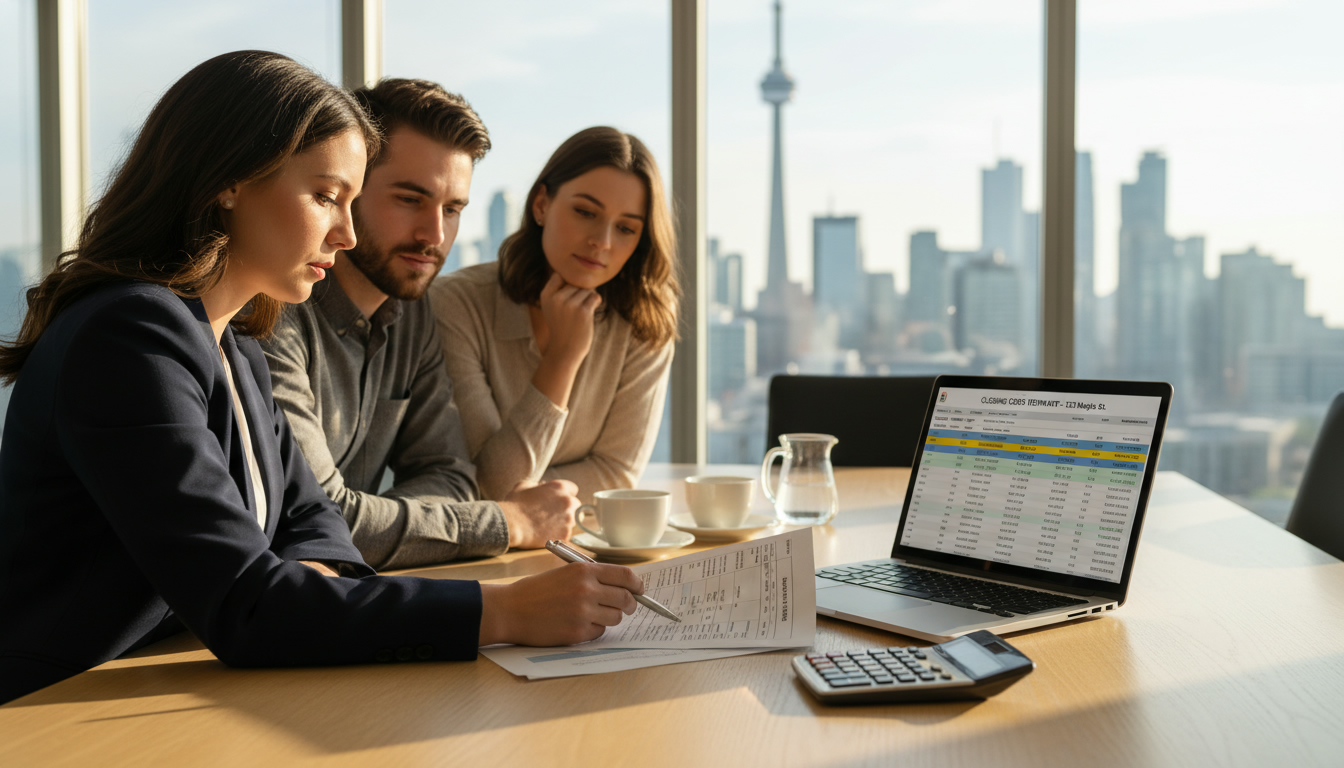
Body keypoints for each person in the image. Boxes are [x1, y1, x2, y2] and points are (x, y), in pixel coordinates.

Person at [0, 51, 642, 705]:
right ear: (230, 180)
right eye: (327, 197)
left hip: (165, 685)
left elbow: (314, 522)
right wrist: (503, 612)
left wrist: (304, 591)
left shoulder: (236, 344)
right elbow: (248, 605)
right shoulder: (131, 338)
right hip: (51, 708)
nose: (344, 232)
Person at [260, 78, 576, 570]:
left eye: (452, 209)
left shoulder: (414, 310)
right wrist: (509, 523)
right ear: (351, 187)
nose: (434, 235)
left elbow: (449, 475)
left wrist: (381, 526)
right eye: (409, 199)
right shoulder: (272, 308)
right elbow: (313, 521)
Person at [429, 127, 680, 502]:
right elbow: (488, 486)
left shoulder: (645, 318)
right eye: (585, 212)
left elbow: (617, 474)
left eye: (626, 228)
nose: (603, 241)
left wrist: (521, 491)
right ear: (542, 205)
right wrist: (563, 358)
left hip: (589, 542)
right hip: (478, 550)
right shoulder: (456, 304)